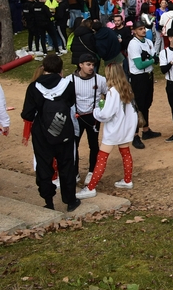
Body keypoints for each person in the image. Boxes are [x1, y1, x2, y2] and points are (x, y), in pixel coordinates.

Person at [20, 55, 81, 211]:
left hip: (42, 134)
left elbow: (27, 114)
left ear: (44, 67)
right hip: (64, 131)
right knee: (67, 165)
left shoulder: (34, 87)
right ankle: (70, 201)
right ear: (60, 68)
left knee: (44, 166)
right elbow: (72, 103)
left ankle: (48, 200)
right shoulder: (67, 84)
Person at [76, 63, 138, 199]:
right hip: (125, 128)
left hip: (114, 130)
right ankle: (127, 180)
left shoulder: (112, 92)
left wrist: (97, 111)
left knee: (102, 157)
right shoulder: (127, 88)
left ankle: (91, 187)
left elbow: (106, 114)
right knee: (126, 153)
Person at [71, 54, 108, 186]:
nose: (91, 67)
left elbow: (108, 93)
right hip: (76, 117)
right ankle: (74, 172)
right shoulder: (70, 80)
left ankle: (92, 171)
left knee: (93, 144)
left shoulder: (100, 80)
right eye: (88, 64)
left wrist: (103, 108)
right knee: (73, 145)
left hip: (93, 117)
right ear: (80, 65)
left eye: (93, 65)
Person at [127, 20, 160, 149]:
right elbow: (139, 65)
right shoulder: (133, 44)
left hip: (148, 75)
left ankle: (146, 130)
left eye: (144, 28)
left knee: (147, 103)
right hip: (138, 77)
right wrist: (151, 60)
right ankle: (135, 135)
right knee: (138, 106)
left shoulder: (148, 42)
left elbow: (154, 59)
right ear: (134, 31)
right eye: (140, 29)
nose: (143, 31)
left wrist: (151, 60)